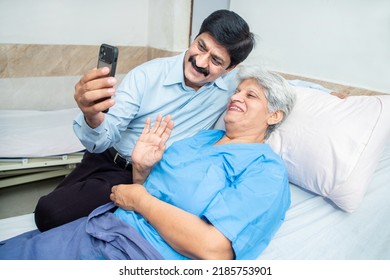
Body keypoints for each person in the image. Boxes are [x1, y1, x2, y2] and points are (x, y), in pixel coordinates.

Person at [0, 65, 296, 260]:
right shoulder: (203, 139)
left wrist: (140, 199)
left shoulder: (265, 172)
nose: (236, 97)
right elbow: (150, 191)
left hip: (141, 255)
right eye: (237, 91)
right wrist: (141, 170)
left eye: (251, 95)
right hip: (104, 227)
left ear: (274, 116)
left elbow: (214, 249)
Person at [34, 9, 256, 232]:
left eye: (216, 60)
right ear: (194, 38)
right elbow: (103, 137)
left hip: (143, 175)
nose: (200, 61)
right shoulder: (147, 75)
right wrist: (92, 116)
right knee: (48, 210)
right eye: (201, 46)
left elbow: (272, 94)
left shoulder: (232, 90)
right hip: (103, 155)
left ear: (230, 68)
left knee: (49, 213)